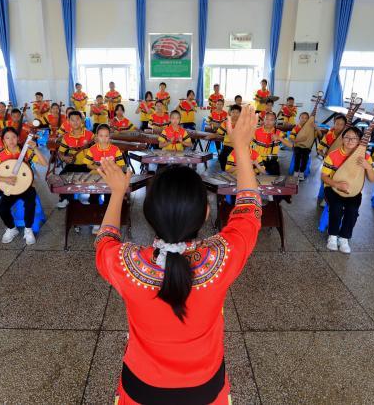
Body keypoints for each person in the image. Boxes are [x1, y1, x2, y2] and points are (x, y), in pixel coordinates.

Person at [93, 104, 261, 404]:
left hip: (140, 389)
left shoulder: (126, 263)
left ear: (148, 214)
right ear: (206, 211)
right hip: (206, 390)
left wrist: (118, 192)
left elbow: (105, 240)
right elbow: (249, 211)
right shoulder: (220, 260)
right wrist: (242, 148)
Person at [0, 127, 48, 245]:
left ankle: (28, 229)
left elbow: (44, 164)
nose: (11, 140)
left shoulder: (26, 152)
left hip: (26, 185)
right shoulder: (1, 156)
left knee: (30, 203)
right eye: (7, 138)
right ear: (3, 140)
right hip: (10, 187)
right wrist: (5, 179)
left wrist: (35, 148)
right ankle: (11, 228)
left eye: (13, 137)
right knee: (2, 208)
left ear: (18, 138)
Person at [321, 127, 374, 254]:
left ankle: (344, 238)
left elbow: (372, 179)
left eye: (355, 138)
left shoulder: (366, 157)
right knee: (336, 206)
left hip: (354, 191)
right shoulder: (333, 155)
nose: (350, 140)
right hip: (332, 188)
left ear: (359, 141)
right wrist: (336, 184)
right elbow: (324, 177)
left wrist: (368, 167)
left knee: (352, 210)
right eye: (347, 137)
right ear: (342, 139)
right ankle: (333, 236)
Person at [85, 124, 126, 234]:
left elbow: (121, 165)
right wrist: (98, 167)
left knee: (109, 199)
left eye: (106, 136)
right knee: (94, 198)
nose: (104, 138)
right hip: (95, 176)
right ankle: (95, 221)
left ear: (110, 137)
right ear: (97, 136)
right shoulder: (92, 149)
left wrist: (111, 167)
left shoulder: (115, 149)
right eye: (101, 136)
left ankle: (109, 223)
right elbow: (88, 165)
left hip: (111, 177)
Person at [56, 110, 95, 209]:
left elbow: (98, 150)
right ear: (68, 121)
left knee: (97, 177)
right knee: (62, 176)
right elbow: (60, 152)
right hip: (73, 165)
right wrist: (64, 157)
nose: (75, 122)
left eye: (77, 119)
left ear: (82, 120)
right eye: (72, 120)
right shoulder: (66, 137)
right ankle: (65, 198)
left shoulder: (90, 135)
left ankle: (93, 199)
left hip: (88, 165)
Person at [283, 112, 312, 181]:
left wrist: (315, 127)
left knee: (305, 159)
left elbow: (316, 136)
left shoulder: (309, 128)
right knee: (297, 158)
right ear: (299, 118)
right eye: (302, 117)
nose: (304, 119)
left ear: (308, 120)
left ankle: (301, 172)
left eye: (306, 118)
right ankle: (296, 172)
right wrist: (299, 140)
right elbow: (291, 139)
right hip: (297, 146)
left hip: (306, 147)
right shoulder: (296, 128)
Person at [216, 105, 241, 171]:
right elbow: (219, 133)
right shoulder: (225, 123)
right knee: (222, 157)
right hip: (227, 146)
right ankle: (224, 173)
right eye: (233, 112)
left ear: (240, 113)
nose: (235, 114)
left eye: (237, 112)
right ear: (230, 113)